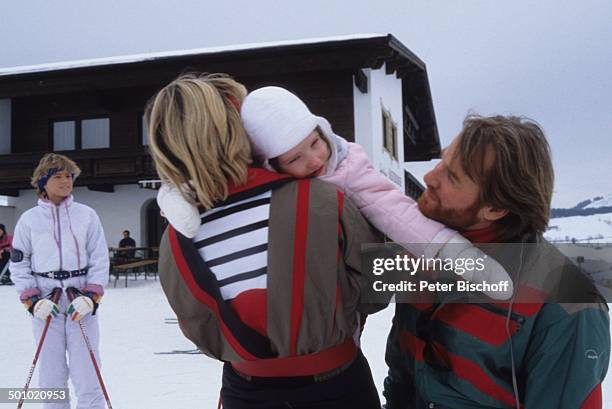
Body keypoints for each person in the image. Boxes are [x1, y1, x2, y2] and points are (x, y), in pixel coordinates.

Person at [147, 73, 386, 409]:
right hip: (336, 387)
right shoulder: (321, 199)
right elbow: (379, 289)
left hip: (244, 392)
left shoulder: (176, 240)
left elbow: (201, 327)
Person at [158, 86, 513, 300]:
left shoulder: (347, 168)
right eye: (295, 157)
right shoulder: (258, 176)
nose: (314, 159)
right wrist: (175, 198)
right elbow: (200, 177)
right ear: (272, 163)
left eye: (315, 142)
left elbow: (399, 214)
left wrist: (467, 261)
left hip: (344, 297)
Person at [382, 115, 610, 409]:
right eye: (442, 161)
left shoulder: (568, 304)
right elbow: (401, 378)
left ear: (496, 208)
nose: (430, 177)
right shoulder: (423, 256)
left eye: (452, 176)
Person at [10, 153, 109, 409]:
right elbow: (19, 263)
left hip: (80, 298)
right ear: (43, 181)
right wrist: (32, 301)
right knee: (51, 369)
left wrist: (91, 296)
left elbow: (99, 258)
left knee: (87, 367)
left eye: (69, 176)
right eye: (58, 176)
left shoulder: (86, 215)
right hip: (46, 299)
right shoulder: (29, 220)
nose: (66, 181)